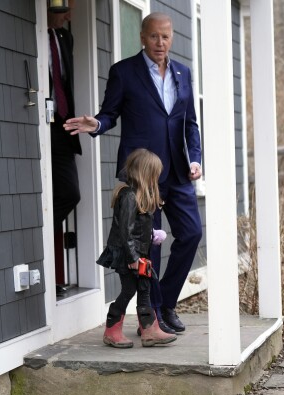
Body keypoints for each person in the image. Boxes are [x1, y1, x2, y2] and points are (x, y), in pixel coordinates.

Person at [64, 12, 203, 334]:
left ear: (172, 38)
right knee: (146, 246)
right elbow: (110, 113)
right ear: (142, 37)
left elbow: (190, 124)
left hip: (179, 171)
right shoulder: (124, 72)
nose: (160, 42)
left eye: (166, 36)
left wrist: (195, 158)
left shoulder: (183, 72)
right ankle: (151, 315)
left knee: (192, 233)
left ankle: (165, 302)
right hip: (142, 173)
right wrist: (97, 124)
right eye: (154, 36)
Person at [97, 149, 177, 348]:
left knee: (145, 288)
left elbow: (138, 228)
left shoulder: (140, 196)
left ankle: (150, 331)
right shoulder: (129, 197)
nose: (156, 179)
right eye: (154, 175)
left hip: (140, 253)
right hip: (127, 254)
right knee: (129, 289)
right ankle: (111, 330)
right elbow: (125, 231)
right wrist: (133, 257)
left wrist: (152, 235)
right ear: (145, 174)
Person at [47, 0, 82, 295]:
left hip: (62, 126)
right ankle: (48, 271)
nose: (70, 15)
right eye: (64, 7)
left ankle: (43, 236)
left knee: (70, 193)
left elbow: (65, 82)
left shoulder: (64, 37)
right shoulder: (35, 33)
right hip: (36, 124)